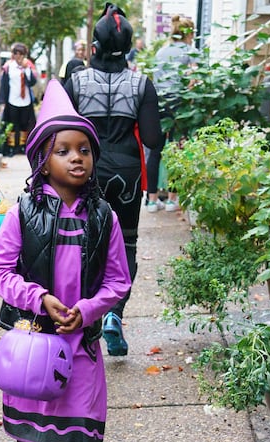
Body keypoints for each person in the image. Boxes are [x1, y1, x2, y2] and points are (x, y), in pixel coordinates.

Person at [0, 78, 130, 442]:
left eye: (83, 149)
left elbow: (118, 280)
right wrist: (37, 297)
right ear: (43, 162)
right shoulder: (22, 213)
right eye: (63, 150)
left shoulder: (104, 217)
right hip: (33, 339)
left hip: (80, 342)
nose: (76, 158)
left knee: (81, 423)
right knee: (30, 418)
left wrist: (87, 311)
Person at [65, 2, 161, 356]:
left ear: (95, 46)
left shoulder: (76, 82)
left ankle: (86, 317)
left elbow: (57, 131)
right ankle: (114, 315)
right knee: (126, 247)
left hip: (86, 173)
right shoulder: (140, 84)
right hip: (128, 176)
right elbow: (152, 139)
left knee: (82, 244)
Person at [146, 15, 199, 213]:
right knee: (178, 150)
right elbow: (195, 78)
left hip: (159, 105)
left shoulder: (161, 52)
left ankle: (151, 201)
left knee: (155, 152)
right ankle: (171, 199)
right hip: (180, 106)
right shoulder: (190, 51)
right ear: (188, 33)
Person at [0, 42, 38, 157]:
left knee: (24, 125)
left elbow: (32, 82)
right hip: (12, 100)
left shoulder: (27, 66)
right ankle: (11, 147)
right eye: (16, 54)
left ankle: (22, 146)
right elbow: (4, 85)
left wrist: (26, 70)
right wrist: (2, 101)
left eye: (21, 54)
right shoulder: (8, 67)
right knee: (12, 125)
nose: (19, 56)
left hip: (25, 101)